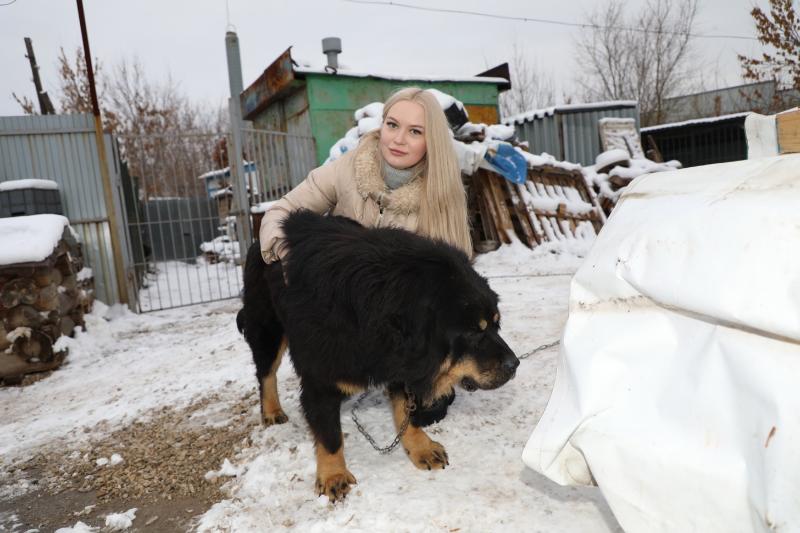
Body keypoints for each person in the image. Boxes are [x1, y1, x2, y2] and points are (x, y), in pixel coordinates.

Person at [258, 86, 472, 265]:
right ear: (382, 126)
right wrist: (291, 259)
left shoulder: (443, 192)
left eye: (415, 131)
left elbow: (453, 282)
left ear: (432, 141)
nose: (398, 139)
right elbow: (280, 212)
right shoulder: (347, 168)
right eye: (392, 125)